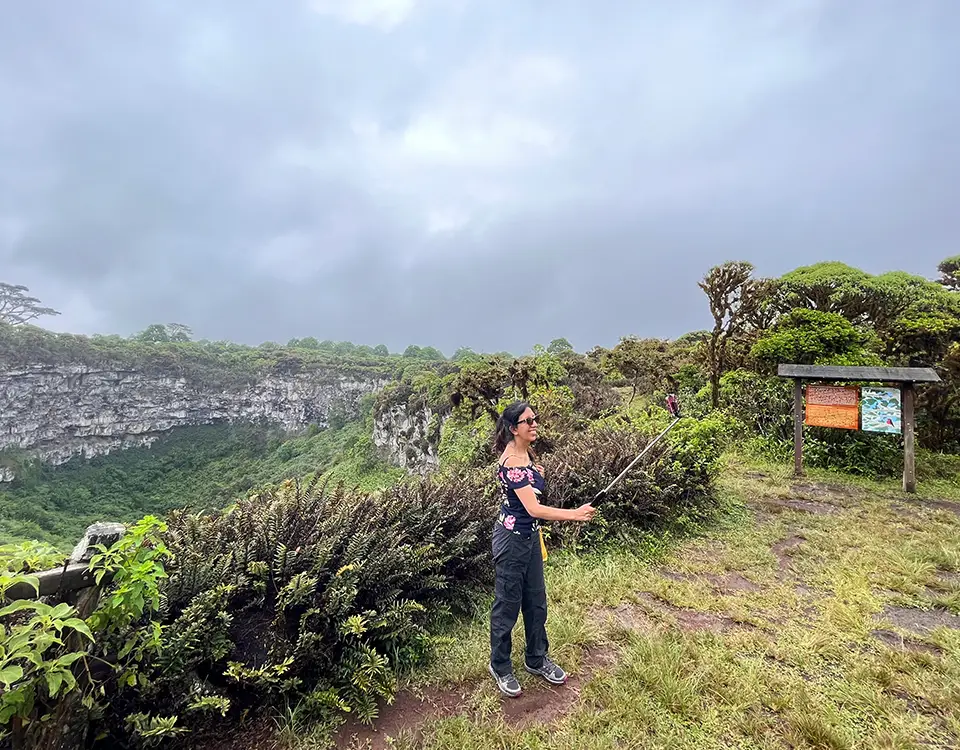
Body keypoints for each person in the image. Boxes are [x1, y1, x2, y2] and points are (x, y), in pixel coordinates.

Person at [489, 401, 597, 698]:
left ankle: (537, 658)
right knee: (507, 606)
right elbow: (534, 508)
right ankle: (500, 666)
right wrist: (575, 514)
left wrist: (537, 472)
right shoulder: (511, 462)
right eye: (528, 421)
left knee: (536, 603)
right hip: (511, 542)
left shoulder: (527, 454)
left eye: (535, 419)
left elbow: (533, 487)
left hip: (531, 539)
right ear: (514, 429)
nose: (534, 424)